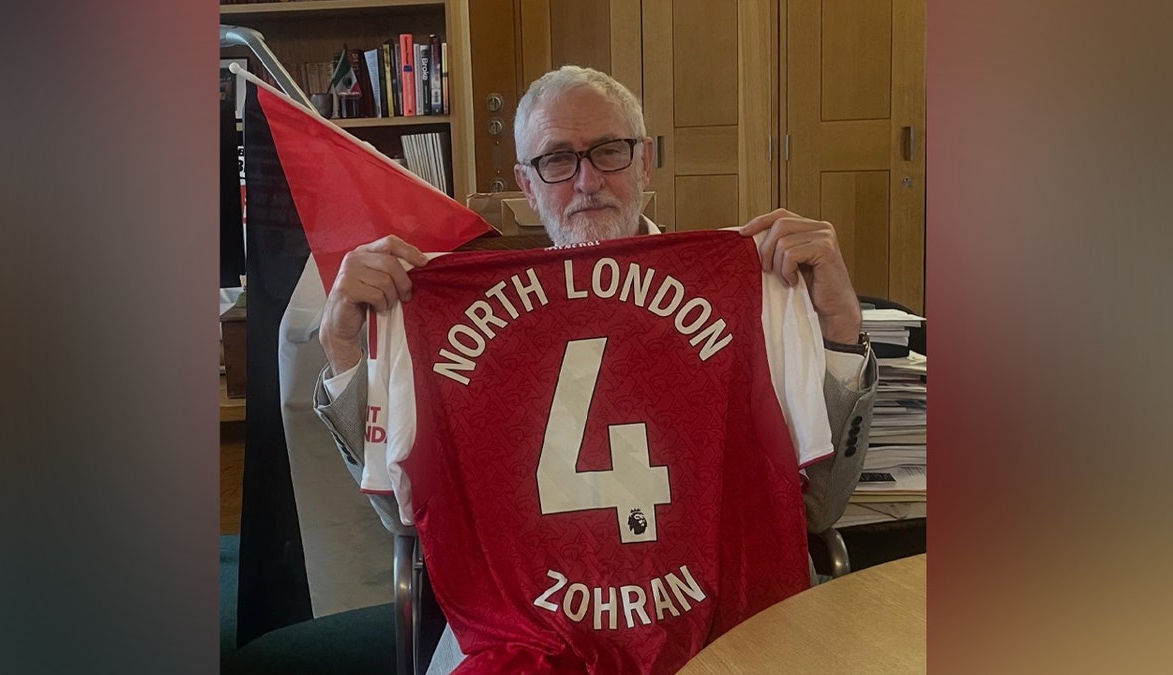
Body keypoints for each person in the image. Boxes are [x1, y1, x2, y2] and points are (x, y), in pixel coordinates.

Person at [314, 66, 876, 673]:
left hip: (725, 629)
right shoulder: (455, 313)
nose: (587, 181)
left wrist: (840, 325)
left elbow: (819, 509)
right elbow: (404, 515)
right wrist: (345, 352)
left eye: (609, 151)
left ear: (645, 162)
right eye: (557, 160)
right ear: (528, 186)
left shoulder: (748, 289)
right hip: (521, 639)